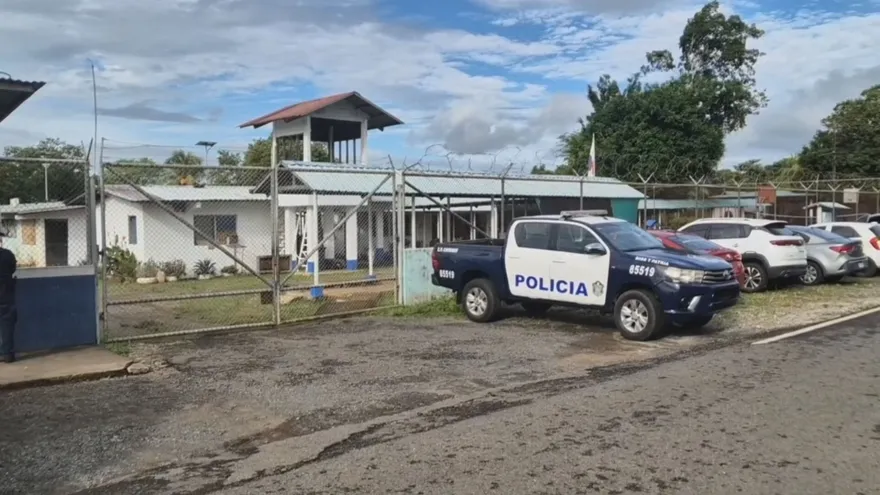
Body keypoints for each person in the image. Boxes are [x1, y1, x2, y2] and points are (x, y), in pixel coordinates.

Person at [0, 229, 16, 363]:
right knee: (7, 325)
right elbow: (12, 269)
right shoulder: (8, 255)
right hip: (6, 294)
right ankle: (7, 354)